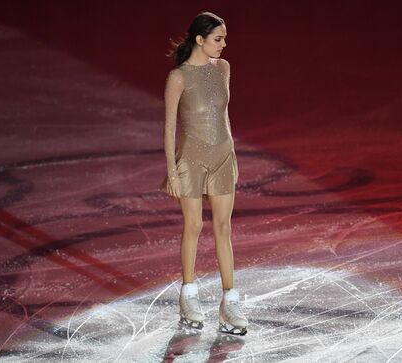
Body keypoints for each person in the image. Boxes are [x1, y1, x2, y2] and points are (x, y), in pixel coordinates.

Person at [159, 11, 248, 336]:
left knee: (223, 227)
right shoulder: (178, 77)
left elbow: (224, 115)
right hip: (191, 160)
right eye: (218, 39)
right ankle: (189, 295)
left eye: (223, 38)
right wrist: (172, 170)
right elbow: (170, 128)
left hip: (223, 156)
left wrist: (233, 154)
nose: (224, 45)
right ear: (200, 39)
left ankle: (230, 301)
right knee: (194, 225)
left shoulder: (223, 69)